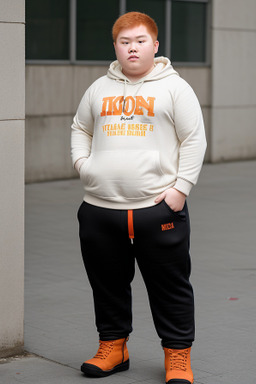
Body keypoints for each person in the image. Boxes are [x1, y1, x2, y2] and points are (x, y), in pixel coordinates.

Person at [71, 11, 206, 384]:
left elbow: (194, 139)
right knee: (107, 283)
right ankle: (113, 347)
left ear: (155, 45)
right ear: (115, 46)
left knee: (170, 285)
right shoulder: (99, 88)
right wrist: (84, 164)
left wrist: (180, 190)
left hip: (156, 209)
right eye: (125, 42)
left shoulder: (175, 88)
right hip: (100, 208)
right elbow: (80, 127)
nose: (132, 48)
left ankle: (178, 356)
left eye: (140, 41)